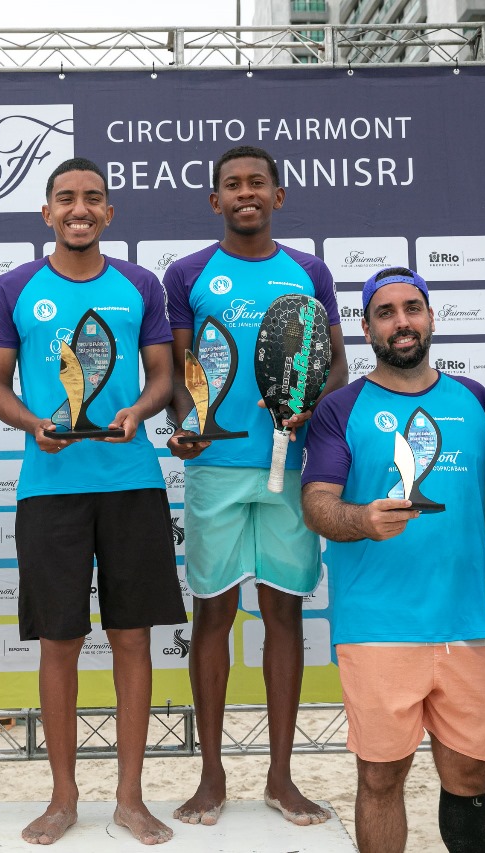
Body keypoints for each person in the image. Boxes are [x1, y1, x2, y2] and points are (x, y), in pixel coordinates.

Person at [0, 158, 186, 846]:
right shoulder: (13, 286)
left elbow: (162, 377)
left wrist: (139, 409)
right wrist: (32, 423)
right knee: (60, 642)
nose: (80, 208)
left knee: (133, 638)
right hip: (50, 489)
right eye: (66, 198)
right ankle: (63, 796)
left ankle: (130, 797)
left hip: (131, 481)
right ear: (47, 213)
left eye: (93, 198)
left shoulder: (139, 285)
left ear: (109, 211)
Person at [300, 267, 485, 853]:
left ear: (429, 318)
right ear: (367, 327)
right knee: (380, 777)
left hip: (467, 626)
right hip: (378, 628)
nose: (402, 322)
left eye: (412, 308)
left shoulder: (477, 400)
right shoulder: (340, 408)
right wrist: (363, 520)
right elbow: (318, 506)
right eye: (386, 312)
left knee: (470, 777)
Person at [163, 145, 347, 827]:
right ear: (215, 201)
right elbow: (181, 369)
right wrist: (185, 422)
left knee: (284, 614)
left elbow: (334, 365)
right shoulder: (187, 273)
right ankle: (211, 775)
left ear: (279, 195)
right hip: (215, 465)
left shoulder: (311, 271)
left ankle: (280, 777)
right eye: (232, 185)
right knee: (212, 613)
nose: (245, 193)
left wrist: (314, 411)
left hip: (292, 464)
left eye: (257, 183)